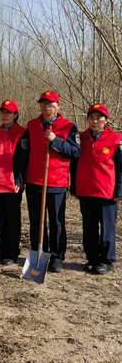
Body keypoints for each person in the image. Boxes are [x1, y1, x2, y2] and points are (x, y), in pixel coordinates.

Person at [19, 90, 80, 273]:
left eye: (51, 103)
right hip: (34, 181)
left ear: (58, 106)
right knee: (37, 221)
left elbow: (75, 152)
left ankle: (57, 257)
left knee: (57, 222)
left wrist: (55, 141)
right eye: (43, 103)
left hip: (57, 183)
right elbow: (23, 152)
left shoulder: (69, 127)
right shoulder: (31, 125)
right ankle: (40, 254)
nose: (47, 106)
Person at [71, 104, 121, 275]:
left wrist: (119, 190)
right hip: (86, 191)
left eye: (99, 118)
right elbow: (74, 164)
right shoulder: (80, 138)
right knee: (89, 227)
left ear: (106, 120)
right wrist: (74, 186)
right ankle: (92, 258)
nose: (94, 121)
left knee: (107, 229)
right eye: (91, 118)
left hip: (107, 191)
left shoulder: (115, 139)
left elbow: (121, 168)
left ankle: (107, 261)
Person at [0, 100, 27, 266]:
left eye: (8, 112)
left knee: (12, 217)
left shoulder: (22, 133)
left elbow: (22, 159)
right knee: (0, 217)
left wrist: (18, 179)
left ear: (15, 115)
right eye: (2, 112)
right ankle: (1, 249)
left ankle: (12, 252)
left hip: (12, 182)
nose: (4, 115)